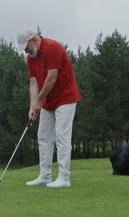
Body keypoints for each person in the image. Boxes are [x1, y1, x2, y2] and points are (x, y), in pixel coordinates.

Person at [17, 30, 81, 188]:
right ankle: (45, 176)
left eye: (26, 47)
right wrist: (33, 106)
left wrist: (39, 101)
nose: (26, 51)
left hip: (66, 97)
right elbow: (33, 83)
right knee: (44, 136)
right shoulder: (30, 58)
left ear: (33, 39)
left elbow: (51, 78)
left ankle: (64, 178)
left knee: (61, 136)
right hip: (48, 101)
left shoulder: (53, 48)